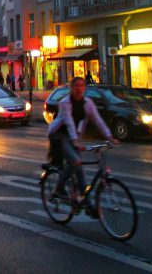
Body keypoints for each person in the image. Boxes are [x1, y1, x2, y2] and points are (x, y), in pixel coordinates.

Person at [46, 77, 117, 206]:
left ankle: (88, 204)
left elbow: (97, 120)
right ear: (72, 88)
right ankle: (59, 189)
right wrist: (75, 142)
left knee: (80, 172)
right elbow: (68, 122)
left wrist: (109, 136)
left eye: (82, 85)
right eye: (77, 86)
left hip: (74, 137)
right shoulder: (65, 103)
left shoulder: (87, 103)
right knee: (76, 161)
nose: (79, 88)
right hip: (59, 134)